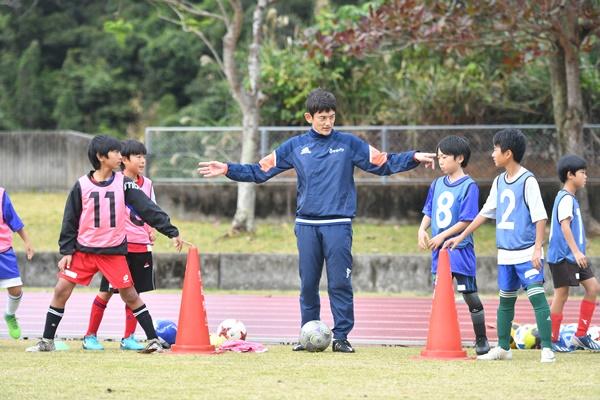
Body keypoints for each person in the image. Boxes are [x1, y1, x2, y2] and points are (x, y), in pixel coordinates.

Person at [198, 88, 435, 353]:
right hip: (307, 226)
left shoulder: (349, 144)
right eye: (322, 117)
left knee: (339, 283)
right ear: (308, 117)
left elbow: (383, 162)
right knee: (308, 284)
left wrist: (413, 157)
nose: (327, 122)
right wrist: (228, 169)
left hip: (338, 224)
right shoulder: (295, 147)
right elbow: (259, 171)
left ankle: (342, 336)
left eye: (331, 117)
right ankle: (308, 334)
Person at [26, 135, 183, 353]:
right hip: (84, 251)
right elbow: (70, 219)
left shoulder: (125, 184)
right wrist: (67, 251)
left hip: (113, 253)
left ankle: (153, 340)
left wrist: (170, 231)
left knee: (130, 295)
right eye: (116, 152)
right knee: (61, 289)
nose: (120, 156)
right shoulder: (81, 185)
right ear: (101, 157)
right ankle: (47, 341)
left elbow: (147, 208)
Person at [445, 128, 555, 363]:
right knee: (505, 301)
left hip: (526, 251)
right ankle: (503, 347)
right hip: (505, 253)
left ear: (508, 153)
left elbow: (540, 216)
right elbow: (485, 213)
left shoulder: (528, 181)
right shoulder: (498, 181)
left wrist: (537, 248)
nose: (491, 153)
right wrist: (461, 235)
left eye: (495, 149)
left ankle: (547, 347)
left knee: (537, 297)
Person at [82, 140, 159, 351]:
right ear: (124, 160)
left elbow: (150, 210)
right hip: (119, 248)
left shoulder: (148, 184)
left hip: (141, 246)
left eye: (144, 156)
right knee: (105, 293)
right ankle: (90, 336)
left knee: (134, 295)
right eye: (138, 156)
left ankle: (129, 338)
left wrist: (151, 228)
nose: (142, 160)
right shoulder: (117, 183)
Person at [417, 135, 490, 355]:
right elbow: (429, 210)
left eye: (445, 157)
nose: (440, 161)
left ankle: (481, 339)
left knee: (469, 294)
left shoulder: (469, 186)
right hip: (440, 252)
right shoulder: (437, 184)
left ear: (459, 158)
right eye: (438, 157)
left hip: (460, 249)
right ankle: (439, 338)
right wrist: (422, 229)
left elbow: (467, 219)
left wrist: (443, 236)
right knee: (439, 292)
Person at [547, 154, 600, 352]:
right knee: (561, 295)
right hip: (563, 256)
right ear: (570, 175)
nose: (586, 176)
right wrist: (577, 251)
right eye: (582, 173)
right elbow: (564, 226)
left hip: (574, 256)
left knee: (593, 288)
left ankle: (581, 335)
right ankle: (551, 339)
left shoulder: (572, 199)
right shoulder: (565, 199)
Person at [0, 187, 34, 340]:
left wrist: (27, 241)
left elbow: (13, 219)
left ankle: (10, 315)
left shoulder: (1, 195)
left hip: (4, 251)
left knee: (15, 290)